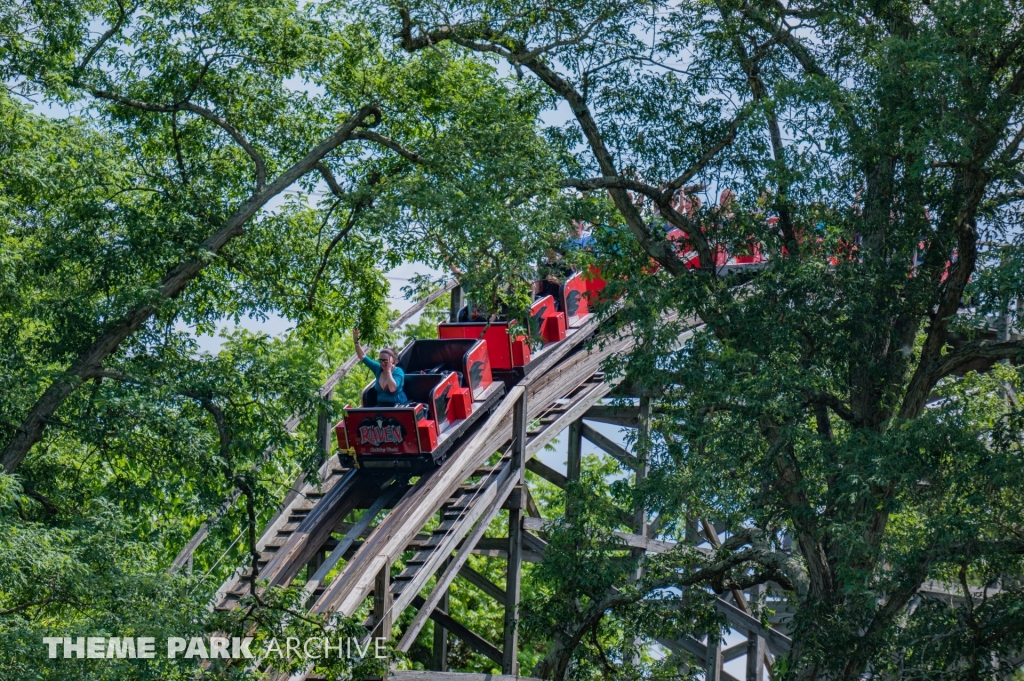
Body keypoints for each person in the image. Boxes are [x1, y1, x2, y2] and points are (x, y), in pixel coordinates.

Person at [352, 329, 408, 406]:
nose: (382, 363)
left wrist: (388, 371)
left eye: (385, 360)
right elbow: (362, 356)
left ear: (393, 360)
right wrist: (356, 341)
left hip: (397, 405)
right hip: (381, 405)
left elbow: (392, 388)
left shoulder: (398, 371)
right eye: (380, 360)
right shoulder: (378, 368)